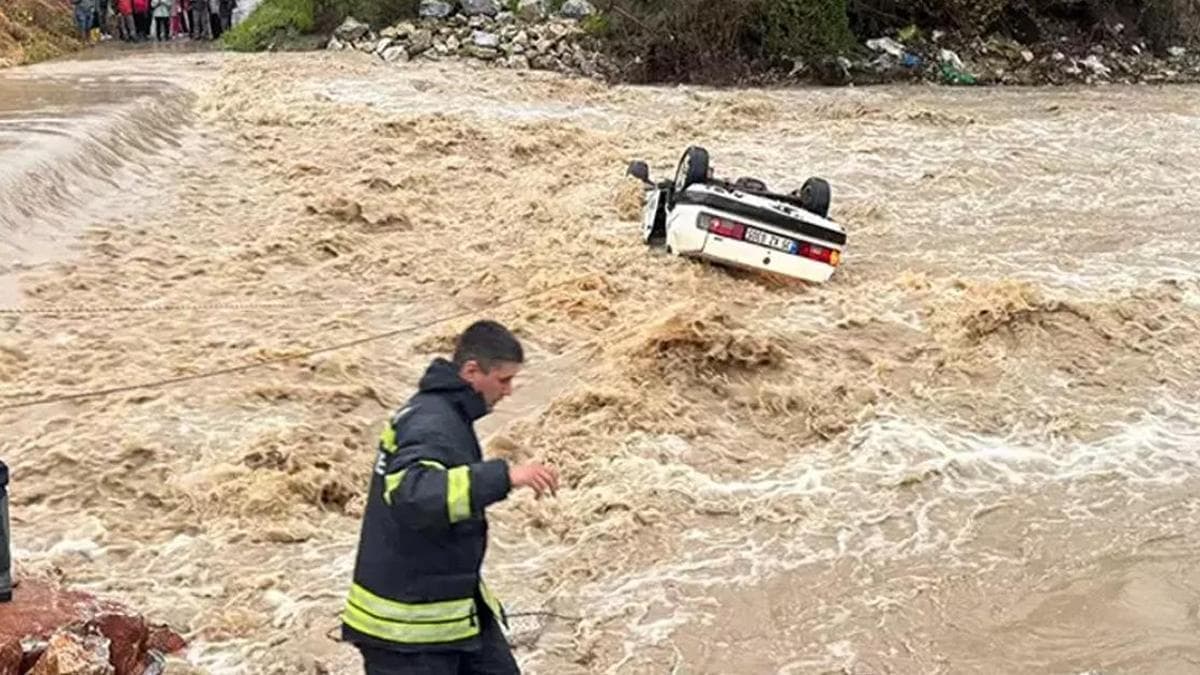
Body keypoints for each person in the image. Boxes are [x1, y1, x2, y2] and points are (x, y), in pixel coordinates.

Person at [341, 320, 559, 675]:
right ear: (472, 371)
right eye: (503, 380)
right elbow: (414, 494)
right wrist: (504, 476)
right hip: (409, 632)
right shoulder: (432, 422)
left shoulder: (443, 413)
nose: (509, 391)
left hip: (452, 607)